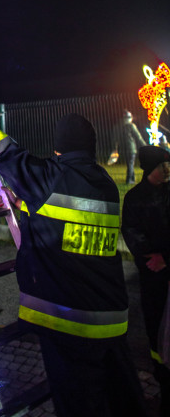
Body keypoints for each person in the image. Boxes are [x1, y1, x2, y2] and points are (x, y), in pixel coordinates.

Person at [0, 70, 147, 417]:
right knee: (119, 400)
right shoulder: (104, 185)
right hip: (112, 321)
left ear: (58, 149)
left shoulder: (50, 177)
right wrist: (24, 202)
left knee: (78, 405)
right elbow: (67, 216)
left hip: (71, 325)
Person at [122, 145, 170, 416]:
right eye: (162, 166)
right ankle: (164, 386)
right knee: (156, 334)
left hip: (164, 271)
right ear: (149, 169)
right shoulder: (134, 199)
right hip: (154, 281)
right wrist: (155, 261)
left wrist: (166, 258)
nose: (167, 170)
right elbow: (134, 237)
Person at [109, 109, 145, 184]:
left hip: (123, 149)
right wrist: (145, 146)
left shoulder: (118, 127)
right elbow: (138, 137)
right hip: (131, 149)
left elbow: (115, 139)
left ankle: (132, 179)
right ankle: (129, 180)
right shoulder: (131, 126)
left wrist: (115, 149)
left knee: (129, 164)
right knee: (130, 164)